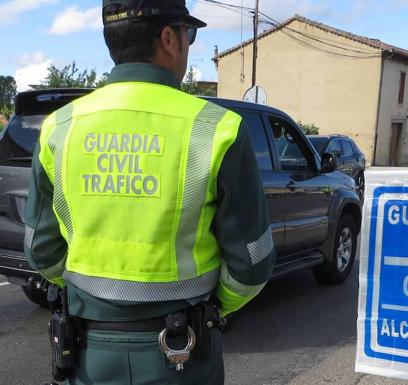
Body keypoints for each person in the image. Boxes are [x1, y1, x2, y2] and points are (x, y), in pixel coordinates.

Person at [24, 1, 276, 384]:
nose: (189, 45)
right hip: (183, 352)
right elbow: (252, 263)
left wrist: (90, 296)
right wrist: (210, 308)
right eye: (189, 34)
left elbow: (41, 249)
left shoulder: (60, 127)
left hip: (88, 354)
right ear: (169, 38)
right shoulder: (217, 128)